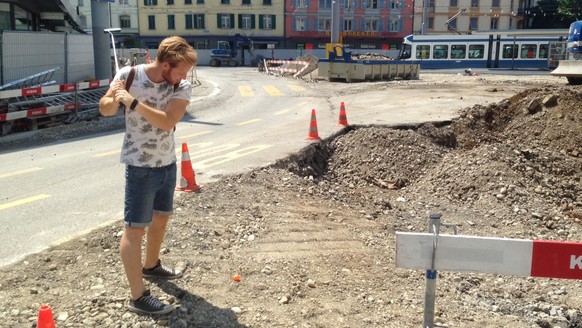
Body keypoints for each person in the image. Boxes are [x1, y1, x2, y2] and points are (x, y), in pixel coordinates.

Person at [98, 36, 197, 315]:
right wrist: (114, 98)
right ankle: (138, 297)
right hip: (139, 166)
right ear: (165, 64)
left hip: (167, 162)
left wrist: (132, 103)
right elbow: (105, 109)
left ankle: (151, 266)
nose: (184, 77)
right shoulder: (128, 76)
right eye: (180, 71)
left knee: (161, 219)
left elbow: (167, 122)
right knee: (134, 229)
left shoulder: (181, 85)